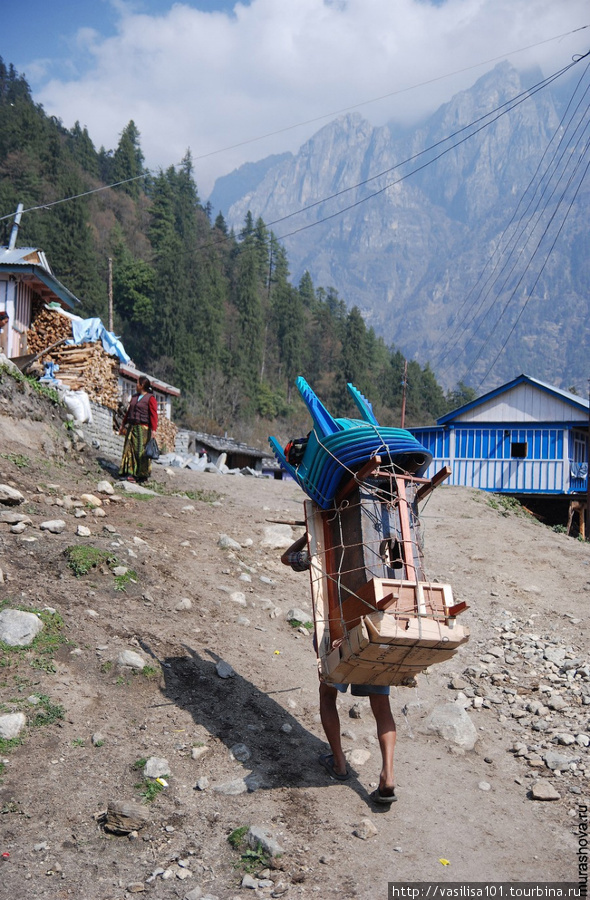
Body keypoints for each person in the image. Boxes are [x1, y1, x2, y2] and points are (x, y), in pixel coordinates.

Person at [281, 533, 397, 805]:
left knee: (327, 696)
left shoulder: (323, 548)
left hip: (334, 632)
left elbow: (287, 558)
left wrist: (307, 535)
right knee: (382, 707)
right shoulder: (381, 549)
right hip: (374, 633)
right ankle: (388, 775)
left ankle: (340, 763)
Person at [119, 375, 158, 483]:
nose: (136, 385)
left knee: (140, 452)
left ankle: (142, 475)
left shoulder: (150, 398)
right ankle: (129, 473)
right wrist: (123, 423)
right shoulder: (135, 397)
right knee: (128, 449)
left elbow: (154, 415)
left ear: (142, 385)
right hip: (132, 427)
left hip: (143, 429)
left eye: (137, 383)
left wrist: (153, 430)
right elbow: (129, 412)